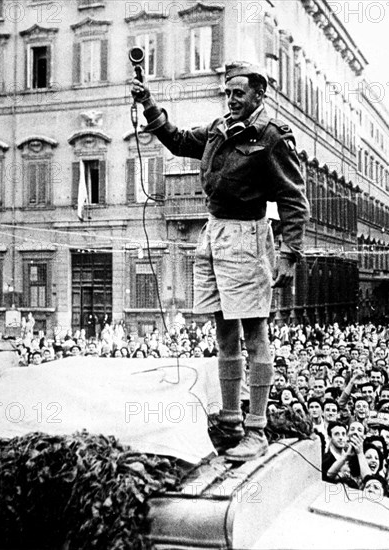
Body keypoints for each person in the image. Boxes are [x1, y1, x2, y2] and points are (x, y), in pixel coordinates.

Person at [131, 61, 310, 461]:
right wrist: (149, 105)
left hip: (247, 238)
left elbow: (294, 199)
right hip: (214, 234)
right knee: (224, 333)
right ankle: (230, 421)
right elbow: (177, 141)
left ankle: (256, 428)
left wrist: (289, 253)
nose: (230, 99)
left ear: (259, 96)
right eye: (227, 93)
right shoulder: (217, 129)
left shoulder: (273, 137)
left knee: (254, 332)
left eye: (238, 94)